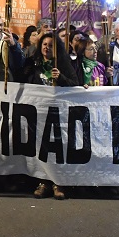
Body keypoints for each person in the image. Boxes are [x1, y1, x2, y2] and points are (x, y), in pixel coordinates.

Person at [21, 31, 72, 200]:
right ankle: (43, 182)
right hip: (38, 113)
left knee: (57, 148)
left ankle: (58, 182)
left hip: (58, 113)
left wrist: (62, 78)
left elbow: (75, 84)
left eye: (51, 45)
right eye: (44, 45)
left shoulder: (63, 64)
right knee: (40, 149)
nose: (46, 48)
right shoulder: (33, 63)